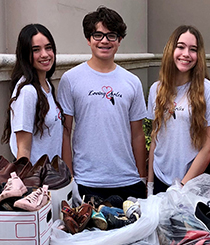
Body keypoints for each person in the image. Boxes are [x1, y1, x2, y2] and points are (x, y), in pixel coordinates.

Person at [58, 6, 147, 201]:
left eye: (111, 35)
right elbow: (65, 131)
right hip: (86, 180)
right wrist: (70, 177)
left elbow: (138, 134)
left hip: (128, 180)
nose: (104, 41)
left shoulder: (132, 82)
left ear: (119, 40)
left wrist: (142, 177)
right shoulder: (71, 79)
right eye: (97, 35)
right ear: (88, 39)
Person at [147, 26, 210, 195]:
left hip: (191, 185)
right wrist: (150, 185)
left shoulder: (209, 92)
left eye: (193, 49)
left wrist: (182, 186)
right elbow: (155, 140)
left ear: (199, 55)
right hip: (160, 180)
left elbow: (209, 148)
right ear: (171, 49)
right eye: (180, 46)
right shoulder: (156, 89)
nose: (186, 54)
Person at [2, 24, 63, 161]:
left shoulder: (46, 85)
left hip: (51, 176)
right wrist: (25, 181)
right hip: (35, 179)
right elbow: (23, 149)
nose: (45, 54)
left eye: (48, 48)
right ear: (25, 54)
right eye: (36, 50)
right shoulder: (27, 91)